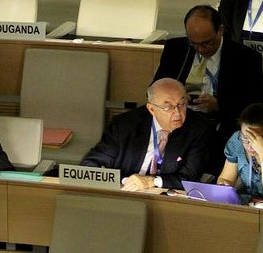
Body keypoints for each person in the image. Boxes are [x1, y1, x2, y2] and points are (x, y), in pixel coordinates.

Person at [153, 5, 263, 170]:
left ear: (220, 31)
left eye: (207, 43)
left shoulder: (245, 58)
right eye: (194, 43)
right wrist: (176, 98)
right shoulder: (176, 49)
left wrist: (219, 105)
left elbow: (256, 105)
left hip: (219, 123)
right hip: (179, 117)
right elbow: (155, 88)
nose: (200, 49)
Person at [81, 78, 210, 190]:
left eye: (181, 104)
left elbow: (190, 178)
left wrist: (152, 181)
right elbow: (91, 164)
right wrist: (125, 182)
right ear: (152, 109)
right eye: (168, 107)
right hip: (125, 191)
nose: (177, 112)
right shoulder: (124, 125)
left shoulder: (197, 128)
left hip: (166, 196)